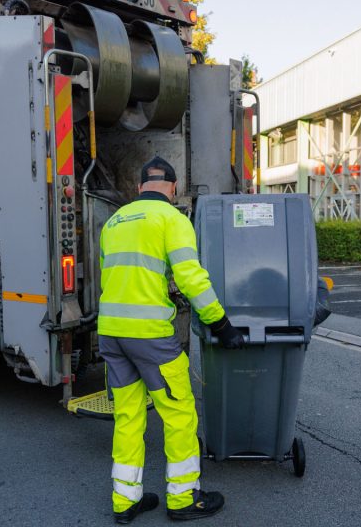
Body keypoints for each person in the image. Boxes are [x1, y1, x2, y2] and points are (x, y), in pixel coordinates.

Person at [98, 156, 245, 523]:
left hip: (112, 333)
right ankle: (182, 498)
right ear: (174, 188)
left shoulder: (114, 222)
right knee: (179, 414)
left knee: (128, 416)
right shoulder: (172, 220)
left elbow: (122, 276)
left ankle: (125, 500)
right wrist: (221, 324)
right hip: (150, 337)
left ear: (139, 187)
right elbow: (192, 278)